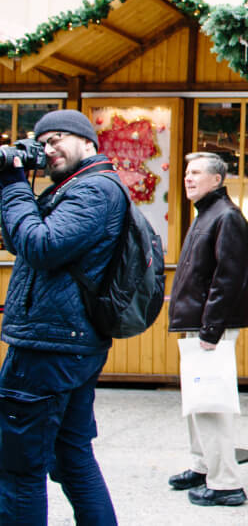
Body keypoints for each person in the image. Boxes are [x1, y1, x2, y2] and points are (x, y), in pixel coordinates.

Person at [0, 109, 125, 524]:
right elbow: (21, 240)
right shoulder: (73, 187)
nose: (49, 148)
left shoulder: (92, 190)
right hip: (65, 341)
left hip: (49, 346)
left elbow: (41, 246)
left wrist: (15, 184)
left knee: (18, 467)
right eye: (43, 141)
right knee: (70, 457)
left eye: (58, 138)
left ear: (88, 143)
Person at [167, 152, 248, 507]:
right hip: (200, 324)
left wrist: (209, 331)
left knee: (211, 406)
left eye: (197, 173)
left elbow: (228, 280)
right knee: (198, 402)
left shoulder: (226, 216)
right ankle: (204, 467)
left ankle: (226, 484)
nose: (188, 178)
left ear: (217, 180)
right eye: (187, 172)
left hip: (209, 328)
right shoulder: (208, 213)